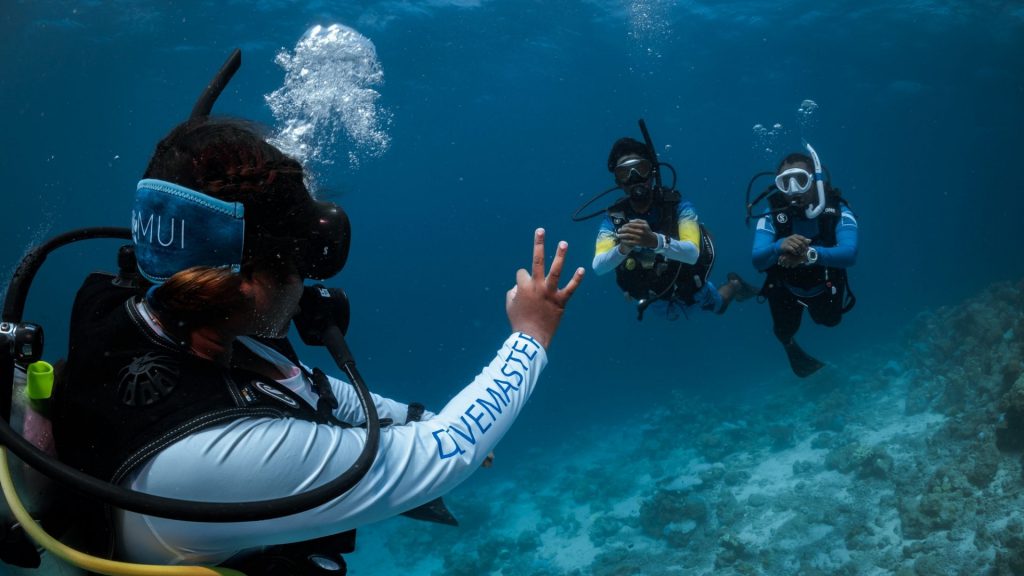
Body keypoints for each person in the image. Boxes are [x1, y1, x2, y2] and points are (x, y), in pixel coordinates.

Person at [49, 117, 584, 572]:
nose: (306, 282)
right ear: (247, 282)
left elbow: (303, 387)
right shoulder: (209, 458)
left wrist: (413, 414)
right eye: (300, 260)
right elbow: (446, 454)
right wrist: (532, 333)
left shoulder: (145, 310)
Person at [592, 136, 756, 320]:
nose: (634, 178)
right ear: (619, 183)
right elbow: (598, 266)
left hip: (690, 285)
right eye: (625, 173)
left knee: (718, 306)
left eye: (641, 169)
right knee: (671, 316)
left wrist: (655, 241)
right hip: (655, 294)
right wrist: (624, 247)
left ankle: (735, 284)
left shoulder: (679, 207)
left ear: (652, 173)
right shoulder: (614, 219)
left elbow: (693, 253)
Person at [751, 143, 858, 377]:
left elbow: (849, 253)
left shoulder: (837, 209)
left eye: (800, 179)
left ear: (815, 180)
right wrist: (780, 245)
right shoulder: (771, 214)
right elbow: (758, 259)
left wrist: (808, 255)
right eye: (784, 183)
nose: (793, 190)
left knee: (830, 321)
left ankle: (748, 289)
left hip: (824, 284)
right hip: (785, 289)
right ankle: (749, 291)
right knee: (784, 331)